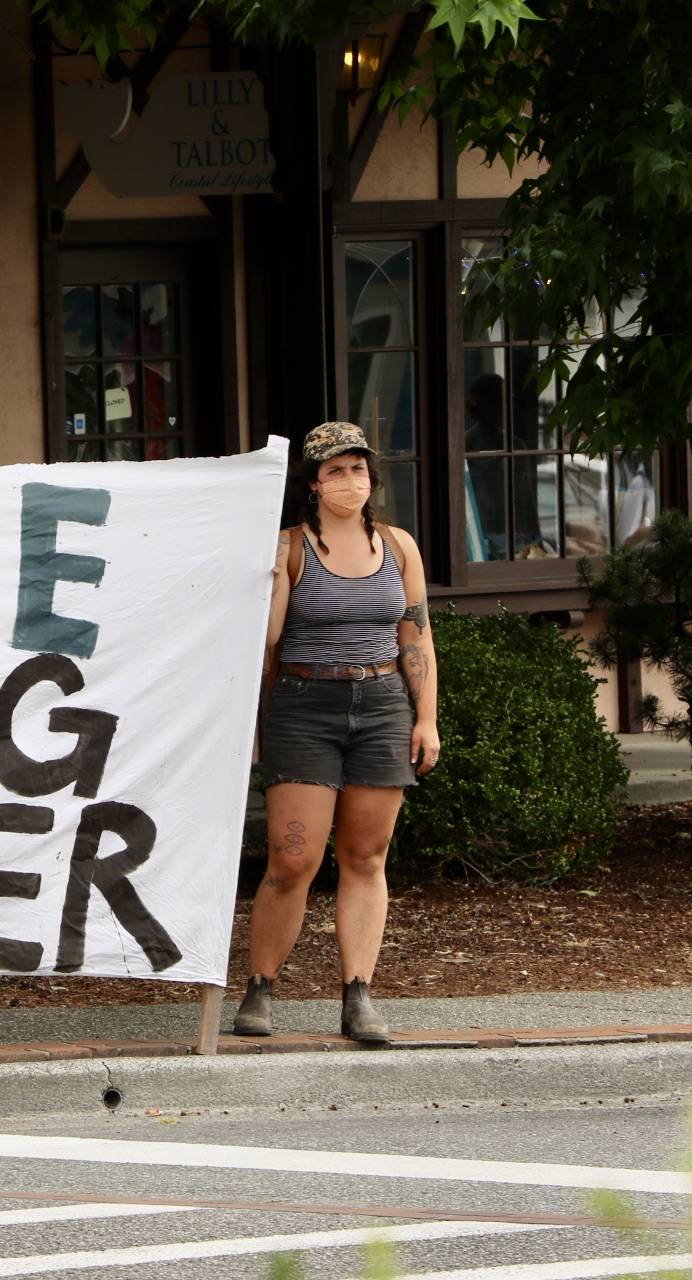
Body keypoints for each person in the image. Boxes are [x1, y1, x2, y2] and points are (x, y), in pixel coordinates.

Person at [235, 421, 439, 1044]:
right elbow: (267, 640)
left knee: (366, 856)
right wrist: (273, 580)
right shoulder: (290, 546)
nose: (349, 480)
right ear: (314, 483)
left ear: (371, 477)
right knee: (292, 858)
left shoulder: (399, 547)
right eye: (335, 471)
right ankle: (260, 986)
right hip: (305, 703)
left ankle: (358, 994)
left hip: (381, 703)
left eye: (357, 469)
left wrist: (426, 717)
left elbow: (416, 636)